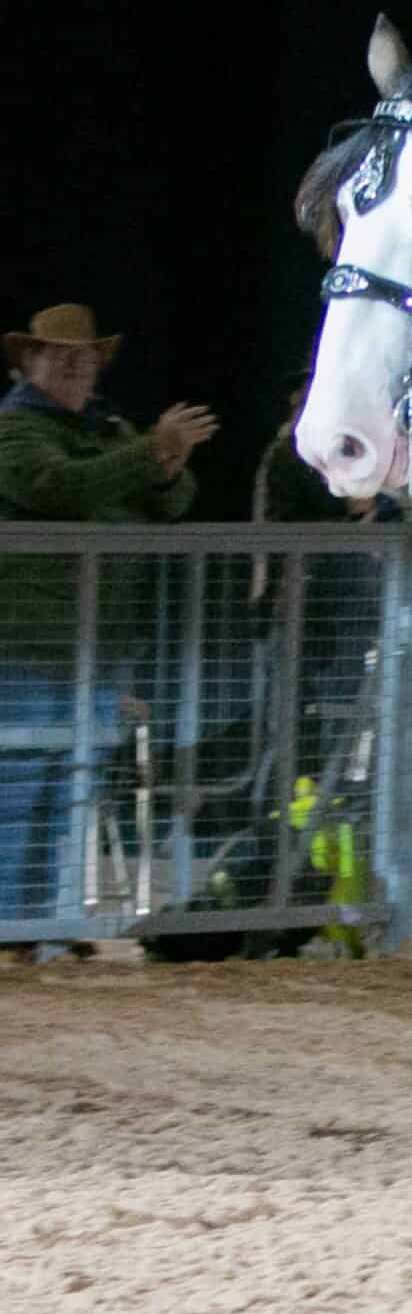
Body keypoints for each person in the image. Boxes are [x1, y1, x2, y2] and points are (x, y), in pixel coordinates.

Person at [0, 304, 217, 940]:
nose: (74, 366)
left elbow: (174, 501)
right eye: (59, 356)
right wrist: (154, 451)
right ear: (29, 363)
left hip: (95, 653)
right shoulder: (14, 430)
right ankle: (13, 930)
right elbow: (57, 488)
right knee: (20, 797)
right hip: (26, 652)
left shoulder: (108, 428)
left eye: (84, 357)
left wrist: (166, 463)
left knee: (69, 798)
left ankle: (42, 933)